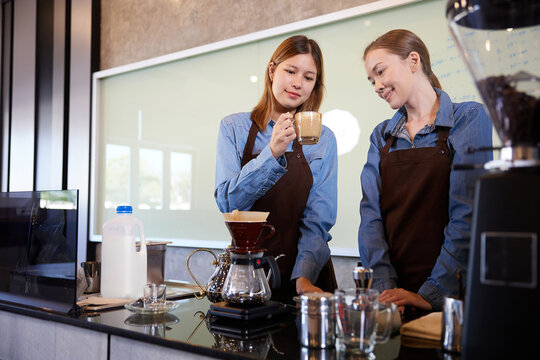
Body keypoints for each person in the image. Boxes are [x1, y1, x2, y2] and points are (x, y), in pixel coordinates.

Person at [358, 29, 493, 313]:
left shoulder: (468, 118)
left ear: (413, 61)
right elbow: (371, 218)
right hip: (394, 300)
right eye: (371, 80)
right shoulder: (381, 136)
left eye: (381, 72)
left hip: (452, 296)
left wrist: (431, 294)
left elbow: (467, 215)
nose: (377, 86)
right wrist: (387, 294)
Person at [214, 35, 338, 303]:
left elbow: (319, 218)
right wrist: (272, 154)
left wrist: (302, 277)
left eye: (308, 77)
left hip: (307, 280)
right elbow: (228, 203)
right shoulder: (233, 128)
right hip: (248, 276)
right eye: (290, 71)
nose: (297, 83)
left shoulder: (324, 139)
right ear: (272, 70)